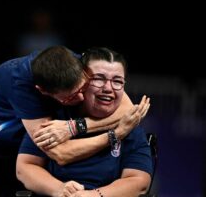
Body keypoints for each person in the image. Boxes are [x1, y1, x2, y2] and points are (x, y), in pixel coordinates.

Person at [0, 45, 149, 196]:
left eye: (82, 89)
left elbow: (129, 109)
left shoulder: (79, 63)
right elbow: (60, 154)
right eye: (70, 98)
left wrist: (74, 127)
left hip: (17, 134)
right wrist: (115, 135)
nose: (79, 99)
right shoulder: (23, 87)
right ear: (44, 92)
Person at [16, 47, 153, 197]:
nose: (108, 88)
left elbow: (139, 180)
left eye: (117, 81)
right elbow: (26, 167)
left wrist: (95, 195)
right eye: (99, 79)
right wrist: (59, 188)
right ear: (82, 81)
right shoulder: (54, 119)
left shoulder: (130, 127)